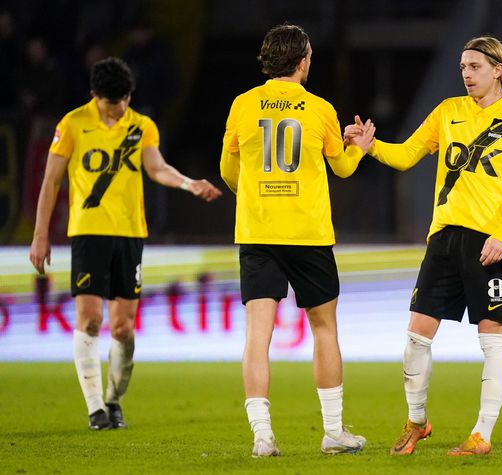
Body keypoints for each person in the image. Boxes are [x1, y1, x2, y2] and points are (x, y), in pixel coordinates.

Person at [345, 36, 502, 456]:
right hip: (444, 237)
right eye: (462, 68)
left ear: (497, 70)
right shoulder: (448, 111)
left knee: (492, 336)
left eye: (474, 67)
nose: (467, 75)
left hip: (491, 241)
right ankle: (417, 421)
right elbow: (406, 156)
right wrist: (370, 147)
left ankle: (482, 435)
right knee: (417, 335)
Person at [29, 57, 222, 430]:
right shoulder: (72, 124)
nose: (118, 111)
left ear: (129, 96)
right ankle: (95, 409)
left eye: (123, 102)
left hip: (130, 234)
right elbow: (51, 181)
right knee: (90, 319)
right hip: (87, 232)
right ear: (94, 96)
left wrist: (188, 182)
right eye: (110, 103)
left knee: (122, 329)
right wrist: (40, 235)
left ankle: (114, 400)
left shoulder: (141, 126)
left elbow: (156, 168)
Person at [220, 23, 375, 457]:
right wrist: (360, 145)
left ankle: (263, 436)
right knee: (324, 329)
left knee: (257, 335)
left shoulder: (243, 106)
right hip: (308, 234)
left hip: (258, 232)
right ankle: (332, 432)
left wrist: (255, 192)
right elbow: (342, 168)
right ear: (303, 61)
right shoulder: (319, 109)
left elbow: (230, 172)